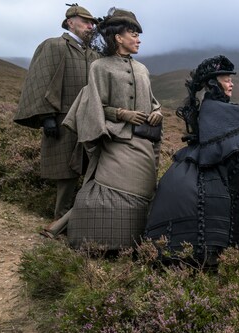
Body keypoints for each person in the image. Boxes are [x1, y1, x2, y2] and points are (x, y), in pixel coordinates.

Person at [144, 55, 239, 268]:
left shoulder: (216, 106)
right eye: (226, 79)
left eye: (231, 79)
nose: (231, 83)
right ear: (214, 83)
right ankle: (210, 256)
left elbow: (238, 116)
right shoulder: (213, 107)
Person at [53, 7, 162, 250]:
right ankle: (99, 239)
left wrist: (156, 113)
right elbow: (94, 104)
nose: (138, 39)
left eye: (138, 34)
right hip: (115, 140)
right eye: (132, 34)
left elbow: (154, 101)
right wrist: (121, 114)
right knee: (107, 189)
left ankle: (137, 240)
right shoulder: (100, 67)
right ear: (118, 38)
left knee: (146, 191)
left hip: (143, 142)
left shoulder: (143, 69)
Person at [13, 4, 100, 228]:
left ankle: (83, 216)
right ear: (70, 21)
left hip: (90, 118)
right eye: (85, 21)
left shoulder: (94, 54)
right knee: (66, 171)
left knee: (92, 167)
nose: (90, 26)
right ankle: (60, 218)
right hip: (62, 119)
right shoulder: (54, 45)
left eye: (92, 23)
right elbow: (41, 79)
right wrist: (47, 117)